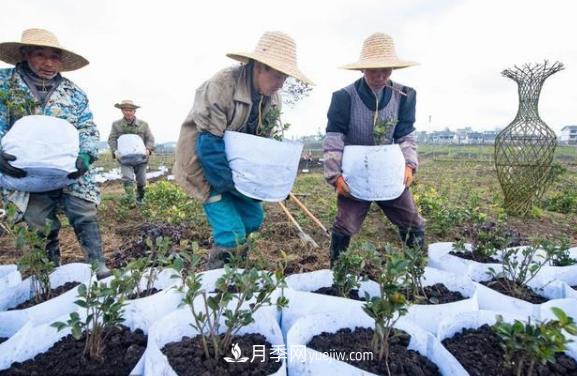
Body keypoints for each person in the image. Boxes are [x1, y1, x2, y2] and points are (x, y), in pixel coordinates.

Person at [174, 31, 312, 269]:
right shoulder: (222, 84)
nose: (280, 84)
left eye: (285, 78)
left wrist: (263, 184)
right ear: (259, 66)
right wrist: (234, 187)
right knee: (231, 231)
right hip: (205, 165)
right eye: (277, 76)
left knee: (253, 217)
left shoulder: (272, 99)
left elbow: (261, 148)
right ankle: (217, 283)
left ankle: (236, 270)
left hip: (239, 169)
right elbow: (209, 144)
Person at [0, 28, 109, 276]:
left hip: (68, 167)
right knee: (37, 221)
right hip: (24, 170)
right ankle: (47, 273)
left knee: (84, 210)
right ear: (25, 54)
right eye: (40, 55)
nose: (49, 63)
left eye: (55, 57)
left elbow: (87, 127)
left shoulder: (74, 93)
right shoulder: (5, 84)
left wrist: (86, 155)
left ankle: (98, 264)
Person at [323, 32, 425, 265]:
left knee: (412, 221)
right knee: (345, 224)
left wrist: (409, 164)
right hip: (355, 169)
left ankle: (416, 271)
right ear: (362, 69)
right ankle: (338, 275)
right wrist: (334, 175)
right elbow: (334, 138)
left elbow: (405, 135)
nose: (380, 76)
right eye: (373, 70)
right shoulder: (343, 98)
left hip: (390, 169)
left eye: (386, 70)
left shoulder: (406, 96)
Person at [108, 100, 155, 204]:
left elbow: (150, 139)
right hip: (125, 158)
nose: (128, 112)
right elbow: (112, 139)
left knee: (141, 180)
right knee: (127, 178)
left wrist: (148, 148)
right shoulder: (116, 125)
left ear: (134, 111)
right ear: (122, 111)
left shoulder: (143, 125)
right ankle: (130, 200)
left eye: (130, 110)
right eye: (125, 110)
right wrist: (114, 151)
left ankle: (140, 198)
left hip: (141, 158)